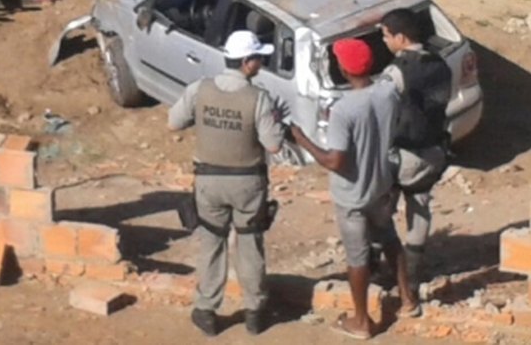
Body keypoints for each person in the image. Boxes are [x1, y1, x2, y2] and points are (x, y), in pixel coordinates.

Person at [289, 38, 419, 339]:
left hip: (353, 195)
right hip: (381, 184)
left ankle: (361, 321)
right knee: (389, 239)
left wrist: (302, 139)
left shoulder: (344, 109)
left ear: (344, 69)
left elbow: (335, 161)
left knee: (357, 257)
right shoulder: (387, 93)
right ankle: (408, 299)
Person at [168, 30, 286, 337]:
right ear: (247, 62)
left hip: (208, 181)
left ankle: (206, 310)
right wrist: (277, 120)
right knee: (249, 245)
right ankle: (255, 311)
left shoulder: (199, 89)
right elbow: (273, 145)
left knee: (211, 243)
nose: (262, 62)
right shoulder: (258, 98)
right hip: (248, 184)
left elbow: (174, 122)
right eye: (259, 58)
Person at [379, 8, 454, 301]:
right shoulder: (441, 64)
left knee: (382, 209)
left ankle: (386, 269)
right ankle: (412, 271)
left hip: (403, 153)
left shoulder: (396, 72)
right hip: (434, 150)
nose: (384, 41)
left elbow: (382, 109)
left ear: (400, 37)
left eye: (385, 35)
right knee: (420, 208)